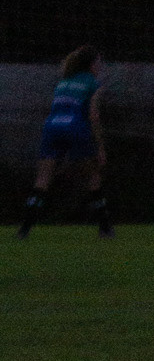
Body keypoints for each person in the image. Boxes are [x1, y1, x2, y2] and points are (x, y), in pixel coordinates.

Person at [18, 47, 111, 239]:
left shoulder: (63, 82)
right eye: (98, 62)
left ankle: (25, 229)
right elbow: (93, 115)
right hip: (75, 127)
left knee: (43, 178)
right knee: (93, 175)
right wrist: (100, 147)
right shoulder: (93, 83)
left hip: (52, 127)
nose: (100, 66)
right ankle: (105, 228)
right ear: (91, 64)